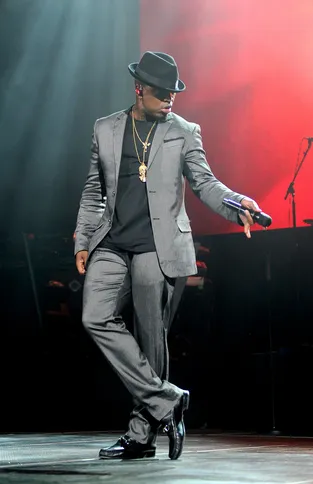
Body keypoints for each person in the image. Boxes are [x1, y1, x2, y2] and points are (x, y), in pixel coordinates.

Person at [74, 51, 261, 460]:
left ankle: (142, 435)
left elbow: (204, 182)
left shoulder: (184, 130)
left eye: (174, 92)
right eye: (161, 92)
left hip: (158, 248)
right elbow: (93, 190)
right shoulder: (106, 129)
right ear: (139, 88)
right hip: (112, 243)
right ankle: (169, 400)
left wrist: (235, 202)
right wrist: (83, 239)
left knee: (151, 340)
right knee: (94, 315)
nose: (169, 99)